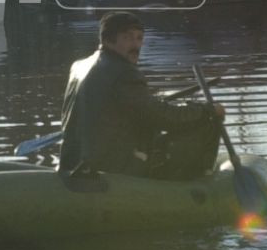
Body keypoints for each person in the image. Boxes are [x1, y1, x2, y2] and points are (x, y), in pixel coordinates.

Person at [58, 12, 221, 181]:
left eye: (139, 38)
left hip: (73, 163)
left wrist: (153, 107)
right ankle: (199, 188)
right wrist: (206, 110)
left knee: (156, 135)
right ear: (107, 40)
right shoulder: (124, 72)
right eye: (128, 38)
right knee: (209, 121)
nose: (136, 45)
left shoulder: (79, 66)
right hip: (105, 169)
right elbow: (163, 117)